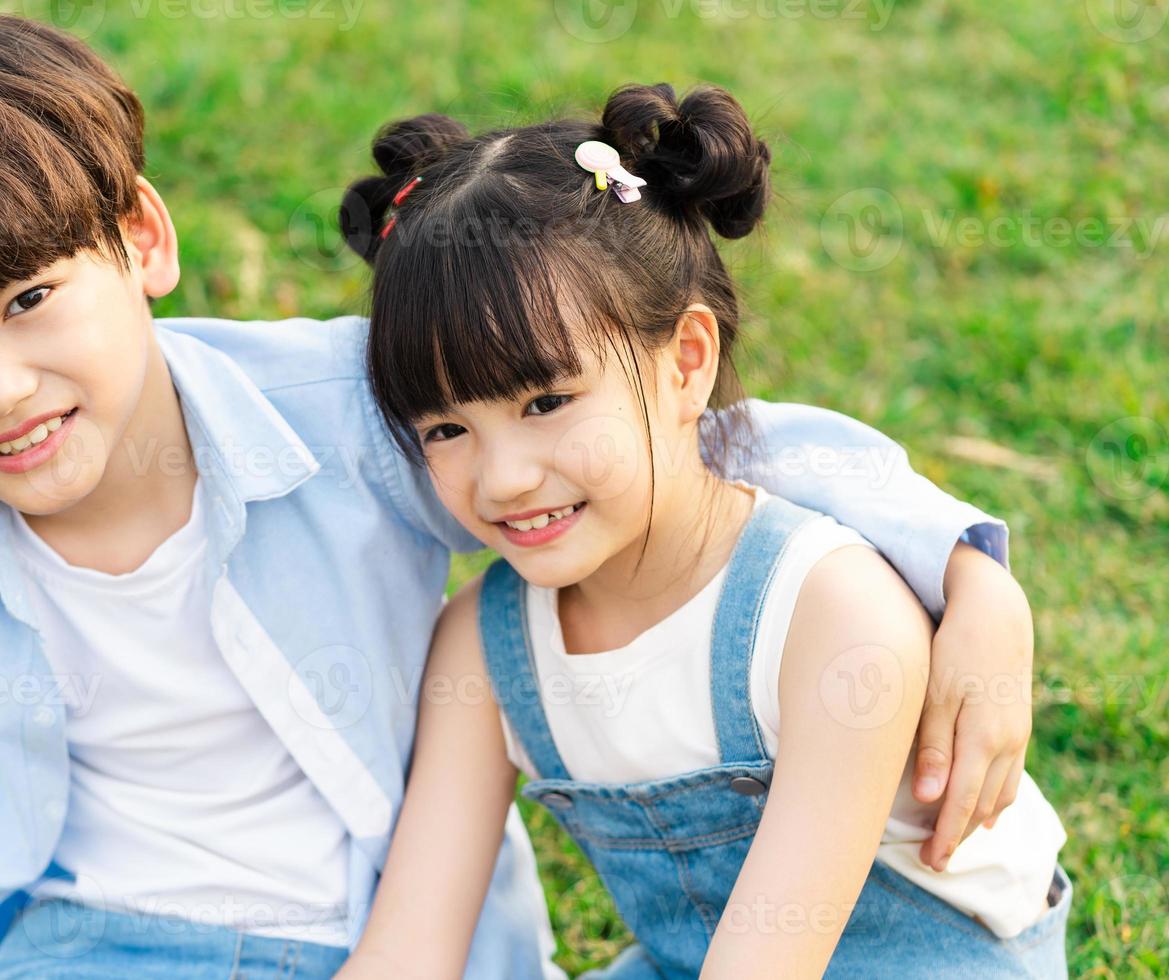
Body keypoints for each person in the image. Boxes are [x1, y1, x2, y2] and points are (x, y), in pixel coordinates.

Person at [0, 14, 1042, 978]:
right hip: (78, 918)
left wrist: (966, 565)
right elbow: (31, 673)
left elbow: (693, 446)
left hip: (350, 919)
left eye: (28, 301)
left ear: (141, 240)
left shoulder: (367, 420)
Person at [333, 84, 1068, 978]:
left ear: (686, 361)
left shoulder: (830, 614)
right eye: (445, 428)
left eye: (548, 401)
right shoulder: (483, 648)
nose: (503, 477)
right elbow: (409, 947)